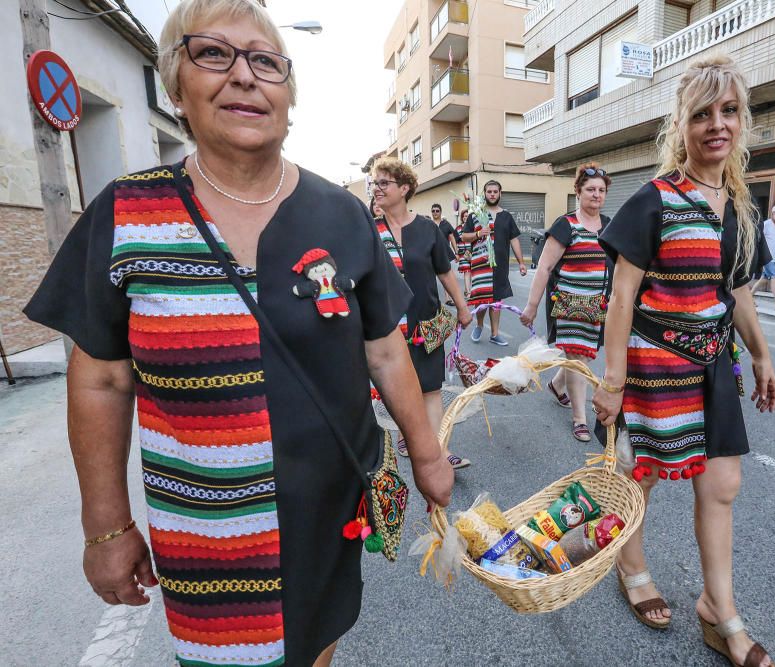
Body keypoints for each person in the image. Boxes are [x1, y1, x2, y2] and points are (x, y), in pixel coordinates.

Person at [22, 2, 454, 666]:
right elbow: (102, 377)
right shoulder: (127, 214)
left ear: (289, 96)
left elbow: (384, 345)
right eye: (213, 54)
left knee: (317, 646)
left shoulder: (340, 214)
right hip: (206, 533)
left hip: (326, 509)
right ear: (176, 90)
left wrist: (427, 457)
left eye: (265, 61)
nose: (245, 76)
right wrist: (105, 526)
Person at [593, 55, 775, 667]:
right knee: (639, 475)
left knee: (722, 484)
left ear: (741, 122)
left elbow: (740, 291)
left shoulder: (741, 209)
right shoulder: (654, 200)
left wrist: (760, 355)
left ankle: (717, 610)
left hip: (712, 365)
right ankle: (633, 567)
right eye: (702, 114)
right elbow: (621, 298)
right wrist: (612, 383)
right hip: (653, 361)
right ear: (683, 126)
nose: (716, 125)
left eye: (728, 112)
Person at [371, 158, 473, 469]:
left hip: (426, 325)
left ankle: (442, 451)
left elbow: (445, 272)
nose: (376, 188)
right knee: (401, 391)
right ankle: (408, 436)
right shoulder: (369, 229)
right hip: (387, 329)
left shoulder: (428, 228)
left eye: (383, 183)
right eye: (375, 183)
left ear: (404, 188)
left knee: (430, 389)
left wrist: (463, 307)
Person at [520, 163, 612, 442]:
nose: (596, 195)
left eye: (601, 190)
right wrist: (532, 306)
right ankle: (579, 418)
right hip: (569, 304)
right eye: (590, 190)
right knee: (577, 358)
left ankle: (557, 385)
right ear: (578, 192)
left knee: (580, 356)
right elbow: (545, 267)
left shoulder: (610, 225)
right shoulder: (566, 224)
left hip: (598, 304)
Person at [461, 179, 528, 345]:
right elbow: (463, 236)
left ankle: (495, 334)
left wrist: (521, 262)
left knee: (497, 300)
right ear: (485, 194)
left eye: (495, 192)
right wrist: (478, 234)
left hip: (500, 266)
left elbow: (514, 240)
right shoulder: (476, 214)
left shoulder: (506, 216)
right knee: (483, 298)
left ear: (500, 194)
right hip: (481, 264)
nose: (492, 194)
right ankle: (479, 325)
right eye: (489, 192)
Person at [431, 202, 459, 306]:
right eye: (433, 211)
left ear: (440, 212)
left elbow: (452, 238)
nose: (435, 213)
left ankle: (448, 299)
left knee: (446, 276)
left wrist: (456, 252)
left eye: (437, 211)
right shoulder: (428, 223)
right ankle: (433, 299)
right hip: (430, 254)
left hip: (444, 254)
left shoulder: (446, 224)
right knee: (430, 277)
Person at [456, 209, 473, 296]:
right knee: (467, 271)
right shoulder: (458, 228)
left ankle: (467, 290)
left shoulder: (472, 227)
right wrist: (456, 253)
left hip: (472, 253)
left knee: (470, 272)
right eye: (465, 216)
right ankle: (469, 292)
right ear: (462, 218)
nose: (466, 218)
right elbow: (455, 241)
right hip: (462, 253)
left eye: (468, 216)